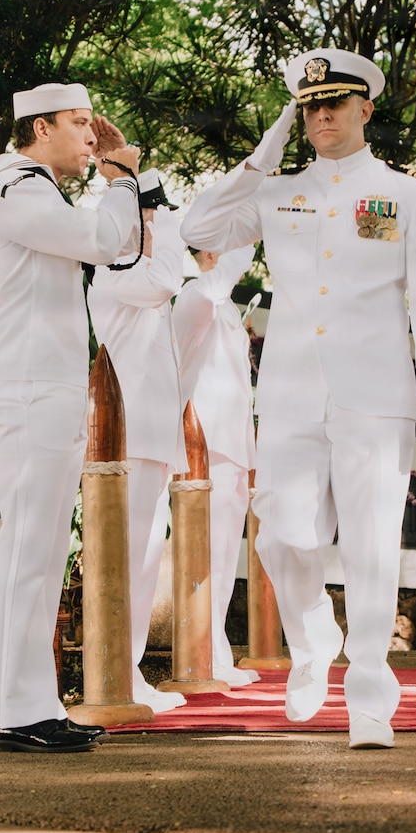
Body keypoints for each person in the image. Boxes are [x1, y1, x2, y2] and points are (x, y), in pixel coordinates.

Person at [180, 47, 416, 750]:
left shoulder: (407, 197)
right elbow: (198, 231)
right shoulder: (277, 195)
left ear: (366, 108)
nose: (322, 114)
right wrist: (263, 152)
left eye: (335, 102)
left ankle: (369, 695)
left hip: (376, 395)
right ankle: (313, 637)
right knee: (280, 534)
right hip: (293, 392)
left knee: (370, 547)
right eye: (309, 106)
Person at [0, 81, 142, 753]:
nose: (90, 134)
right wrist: (122, 170)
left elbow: (113, 242)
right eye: (77, 123)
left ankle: (26, 704)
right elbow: (108, 238)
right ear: (38, 130)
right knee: (29, 551)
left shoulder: (33, 186)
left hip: (47, 387)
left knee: (37, 551)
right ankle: (17, 710)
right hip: (33, 388)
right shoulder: (19, 187)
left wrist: (113, 173)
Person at [85, 168, 189, 713]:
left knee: (144, 555)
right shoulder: (114, 274)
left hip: (150, 434)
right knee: (127, 557)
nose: (151, 220)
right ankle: (115, 673)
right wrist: (160, 218)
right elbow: (169, 278)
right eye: (143, 214)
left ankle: (126, 671)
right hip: (127, 436)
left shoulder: (134, 270)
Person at [171, 242, 261, 688]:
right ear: (207, 251)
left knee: (225, 557)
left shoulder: (223, 305)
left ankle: (214, 650)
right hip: (205, 446)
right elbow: (211, 292)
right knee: (208, 555)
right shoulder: (195, 296)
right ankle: (205, 655)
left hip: (232, 445)